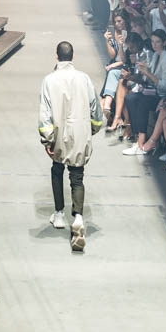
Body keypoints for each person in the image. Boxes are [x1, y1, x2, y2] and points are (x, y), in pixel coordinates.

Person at [38, 40, 102, 251]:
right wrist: (93, 128)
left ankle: (58, 214)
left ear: (56, 57)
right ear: (73, 57)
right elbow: (95, 106)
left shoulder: (49, 80)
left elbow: (45, 112)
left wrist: (47, 139)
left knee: (57, 169)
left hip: (59, 132)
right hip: (80, 130)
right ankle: (78, 217)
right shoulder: (84, 79)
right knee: (77, 176)